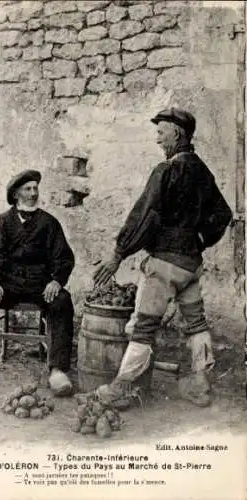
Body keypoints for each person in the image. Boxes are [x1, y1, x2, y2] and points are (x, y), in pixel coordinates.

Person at [93, 108, 232, 408]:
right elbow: (224, 215)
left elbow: (145, 217)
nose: (157, 138)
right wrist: (199, 240)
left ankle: (122, 387)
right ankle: (201, 384)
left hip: (164, 267)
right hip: (191, 266)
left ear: (177, 134)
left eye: (161, 131)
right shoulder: (203, 171)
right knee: (196, 324)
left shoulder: (165, 171)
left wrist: (118, 253)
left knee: (143, 327)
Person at [0, 169, 75, 396]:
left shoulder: (49, 223)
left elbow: (63, 256)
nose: (34, 193)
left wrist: (56, 281)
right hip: (9, 285)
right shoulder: (3, 222)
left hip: (39, 285)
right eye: (28, 189)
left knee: (62, 300)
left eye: (36, 188)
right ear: (16, 194)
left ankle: (57, 370)